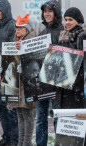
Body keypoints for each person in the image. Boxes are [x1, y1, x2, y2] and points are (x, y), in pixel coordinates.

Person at [0, 0, 18, 145]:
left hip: (9, 75)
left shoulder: (13, 26)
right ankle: (6, 137)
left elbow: (13, 52)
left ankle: (14, 139)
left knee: (10, 109)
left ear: (5, 10)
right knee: (0, 109)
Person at [36, 1, 64, 146]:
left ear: (56, 13)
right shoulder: (42, 33)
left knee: (58, 116)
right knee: (40, 117)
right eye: (45, 11)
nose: (46, 14)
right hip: (42, 82)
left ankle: (60, 143)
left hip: (58, 82)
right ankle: (41, 143)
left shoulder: (63, 31)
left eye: (50, 11)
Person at [11, 14, 35, 146]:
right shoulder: (16, 41)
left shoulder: (31, 42)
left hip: (27, 85)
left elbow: (35, 62)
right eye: (16, 27)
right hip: (18, 84)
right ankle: (21, 143)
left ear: (27, 29)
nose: (18, 30)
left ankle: (26, 143)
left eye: (21, 27)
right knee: (20, 116)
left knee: (27, 116)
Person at [57, 7, 85, 109]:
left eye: (70, 20)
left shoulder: (82, 36)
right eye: (66, 19)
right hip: (63, 83)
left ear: (78, 21)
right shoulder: (63, 35)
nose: (67, 22)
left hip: (77, 85)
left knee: (74, 117)